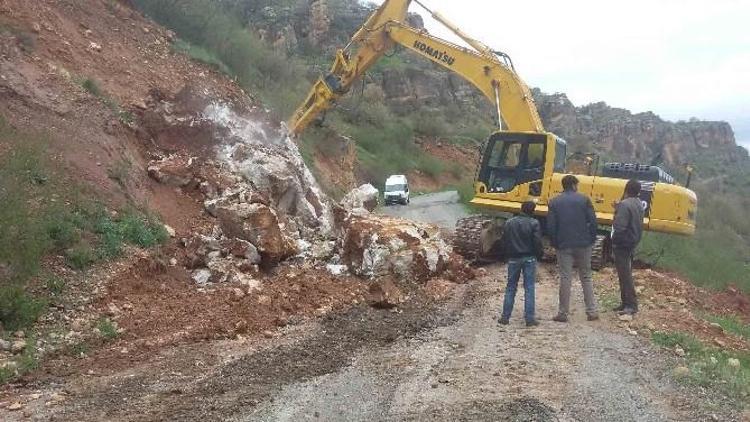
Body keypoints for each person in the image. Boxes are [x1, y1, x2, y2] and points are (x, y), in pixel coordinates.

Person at [547, 175, 599, 322]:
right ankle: (592, 311)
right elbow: (593, 222)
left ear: (563, 186)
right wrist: (592, 239)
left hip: (563, 244)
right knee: (586, 276)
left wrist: (554, 242)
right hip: (584, 244)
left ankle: (563, 313)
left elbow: (551, 226)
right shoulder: (584, 200)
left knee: (565, 277)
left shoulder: (554, 202)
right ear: (575, 185)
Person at [498, 201, 544, 327]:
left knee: (510, 287)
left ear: (521, 209)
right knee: (529, 288)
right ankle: (529, 318)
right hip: (529, 258)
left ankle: (505, 317)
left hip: (513, 259)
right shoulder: (534, 223)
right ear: (532, 211)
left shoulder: (509, 222)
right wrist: (539, 255)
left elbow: (504, 241)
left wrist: (505, 255)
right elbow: (537, 242)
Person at [612, 179, 645, 315]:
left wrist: (614, 240)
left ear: (626, 189)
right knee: (625, 272)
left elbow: (620, 226)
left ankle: (631, 305)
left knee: (625, 274)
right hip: (633, 241)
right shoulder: (638, 204)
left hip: (623, 243)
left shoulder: (625, 205)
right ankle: (625, 303)